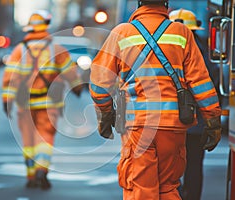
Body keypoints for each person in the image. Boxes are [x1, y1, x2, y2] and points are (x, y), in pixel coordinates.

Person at [89, 0, 222, 199]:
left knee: (140, 188)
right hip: (174, 127)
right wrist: (212, 121)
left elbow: (100, 85)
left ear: (139, 3)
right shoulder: (181, 33)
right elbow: (201, 82)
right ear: (166, 3)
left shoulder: (122, 33)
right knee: (168, 188)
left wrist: (106, 114)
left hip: (138, 127)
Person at [1, 10, 83, 189]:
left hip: (25, 103)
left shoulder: (19, 50)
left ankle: (31, 177)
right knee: (45, 137)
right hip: (50, 103)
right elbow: (71, 73)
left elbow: (10, 78)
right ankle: (42, 170)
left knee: (28, 140)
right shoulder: (56, 49)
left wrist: (6, 99)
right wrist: (77, 88)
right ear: (47, 25)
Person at [169, 8, 220, 200]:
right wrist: (212, 121)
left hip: (170, 123)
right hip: (196, 124)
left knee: (169, 168)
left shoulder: (164, 50)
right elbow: (210, 86)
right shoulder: (204, 53)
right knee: (194, 166)